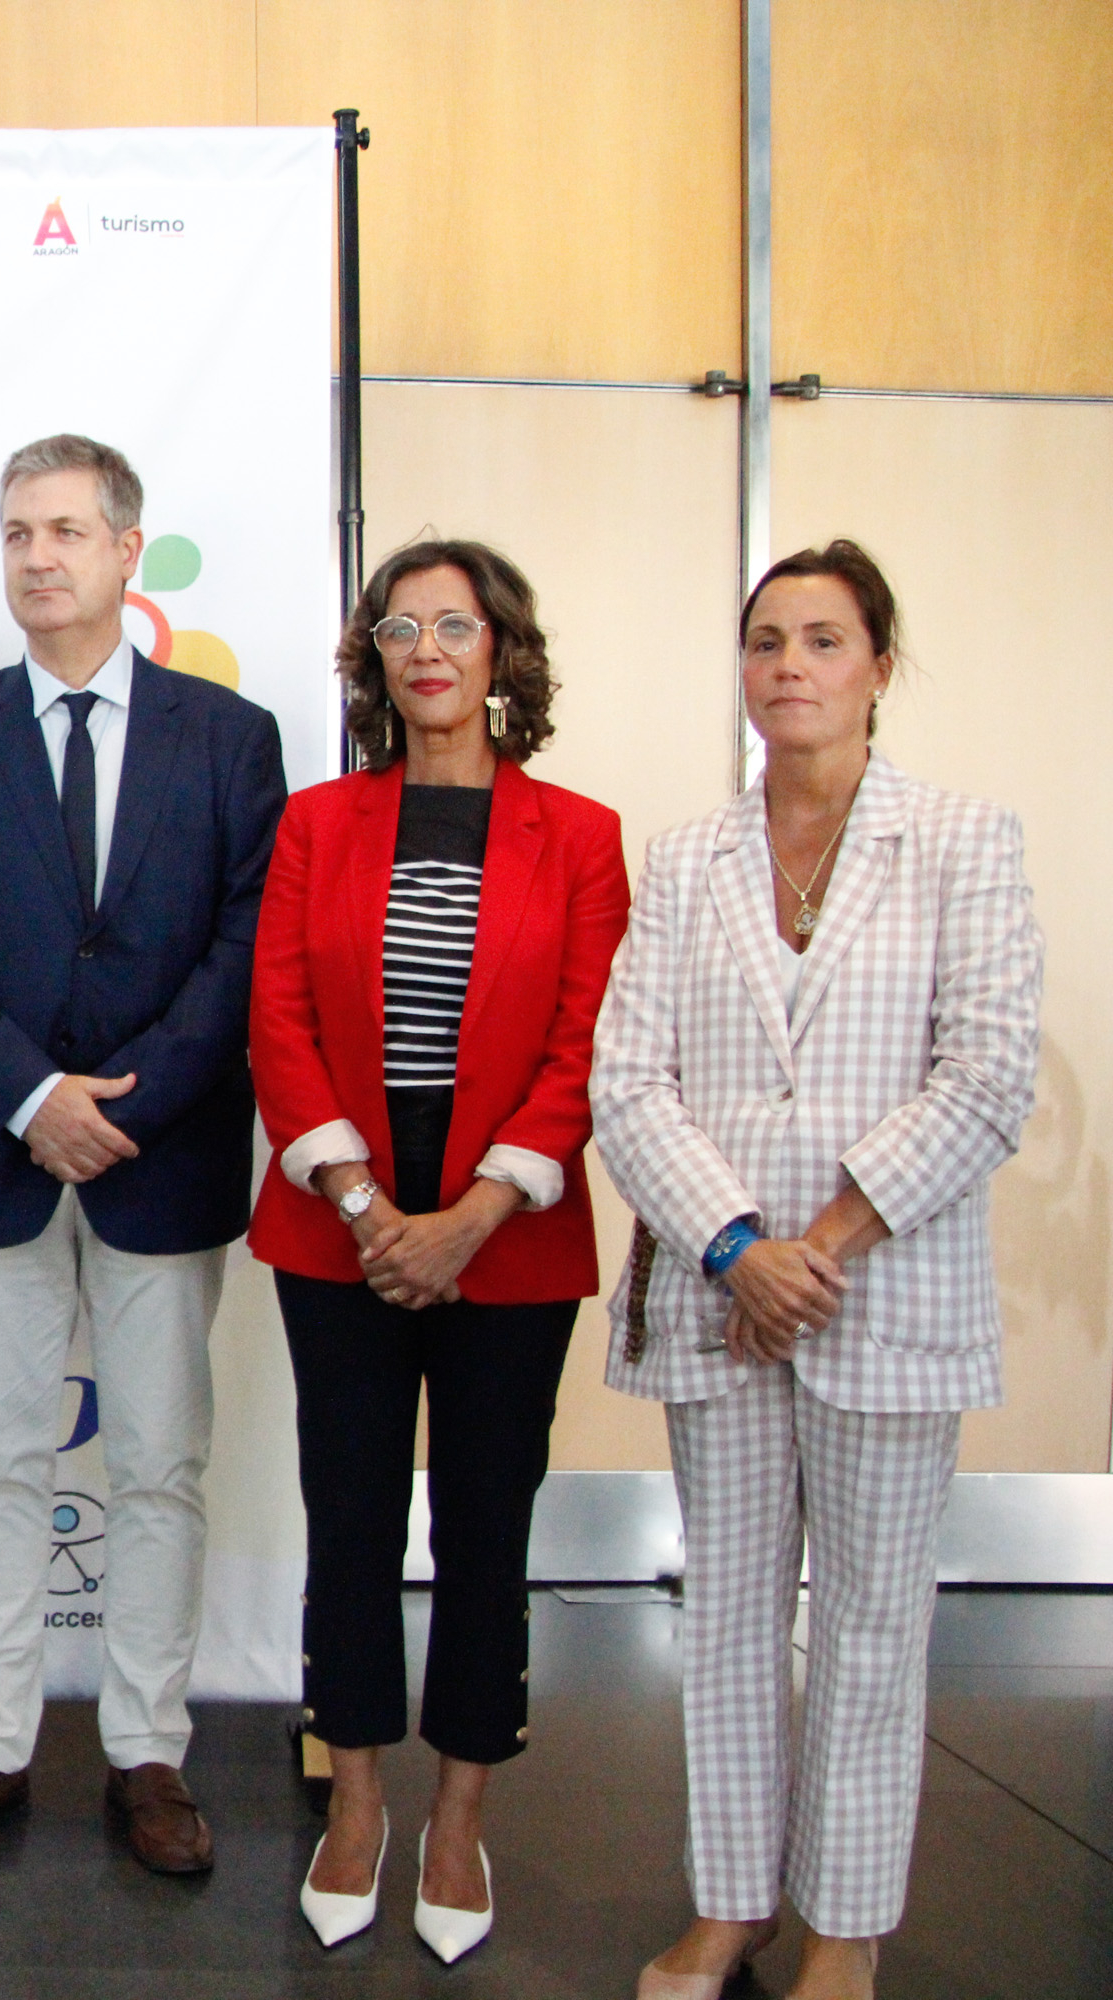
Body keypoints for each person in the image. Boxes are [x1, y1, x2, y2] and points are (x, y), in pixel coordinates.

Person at [598, 542, 1041, 2000]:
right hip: (719, 1302)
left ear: (879, 670)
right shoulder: (683, 859)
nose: (791, 664)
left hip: (884, 1297)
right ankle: (729, 1907)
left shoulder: (965, 842)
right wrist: (738, 1249)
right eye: (767, 640)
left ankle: (844, 1930)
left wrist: (821, 1248)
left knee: (867, 1624)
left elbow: (984, 1077)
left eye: (825, 641)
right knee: (722, 1617)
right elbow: (628, 1082)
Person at [0, 434, 285, 1872]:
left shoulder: (230, 739)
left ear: (124, 550)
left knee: (160, 1463)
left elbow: (248, 940)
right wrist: (30, 1092)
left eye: (62, 530)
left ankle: (150, 1754)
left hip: (159, 1158)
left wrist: (133, 1099)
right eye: (14, 533)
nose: (36, 556)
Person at [246, 541, 629, 1961]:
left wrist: (470, 1217)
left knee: (486, 1527)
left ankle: (460, 1813)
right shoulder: (317, 826)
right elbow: (279, 1024)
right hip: (336, 1230)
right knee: (346, 1517)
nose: (426, 650)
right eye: (399, 627)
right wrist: (366, 1210)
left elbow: (584, 1042)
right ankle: (355, 1800)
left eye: (453, 626)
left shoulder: (578, 834)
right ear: (376, 660)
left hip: (508, 1247)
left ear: (500, 654)